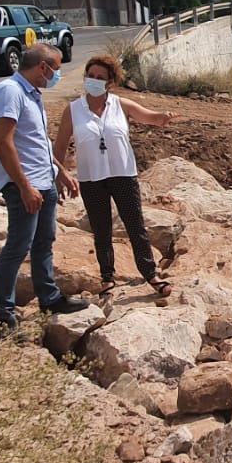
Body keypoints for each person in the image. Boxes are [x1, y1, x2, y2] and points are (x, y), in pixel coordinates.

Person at [53, 54, 178, 298]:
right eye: (91, 76)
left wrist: (163, 117)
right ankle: (107, 278)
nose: (94, 81)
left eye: (100, 78)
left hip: (123, 175)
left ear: (110, 82)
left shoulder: (121, 105)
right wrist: (60, 173)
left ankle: (150, 274)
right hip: (91, 178)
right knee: (102, 231)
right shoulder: (73, 110)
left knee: (135, 227)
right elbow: (59, 146)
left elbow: (148, 116)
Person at [0, 43, 88, 333]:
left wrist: (61, 172)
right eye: (56, 68)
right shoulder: (9, 92)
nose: (57, 74)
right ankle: (2, 312)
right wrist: (24, 186)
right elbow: (3, 142)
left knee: (45, 242)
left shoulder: (33, 94)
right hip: (26, 185)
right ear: (42, 66)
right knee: (18, 246)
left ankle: (50, 298)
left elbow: (38, 142)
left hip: (44, 181)